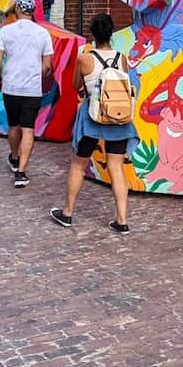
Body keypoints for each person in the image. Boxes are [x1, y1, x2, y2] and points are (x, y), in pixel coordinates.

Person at [50, 12, 139, 234]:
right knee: (116, 167)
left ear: (92, 33)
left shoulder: (85, 58)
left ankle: (68, 213)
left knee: (79, 165)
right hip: (118, 117)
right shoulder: (122, 58)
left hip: (92, 116)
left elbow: (75, 85)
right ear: (111, 33)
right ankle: (122, 219)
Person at [0, 0, 54, 188]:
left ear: (18, 9)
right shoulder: (43, 33)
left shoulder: (5, 31)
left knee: (13, 125)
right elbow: (47, 66)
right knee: (28, 128)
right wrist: (38, 77)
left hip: (11, 85)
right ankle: (21, 171)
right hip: (32, 88)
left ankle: (13, 155)